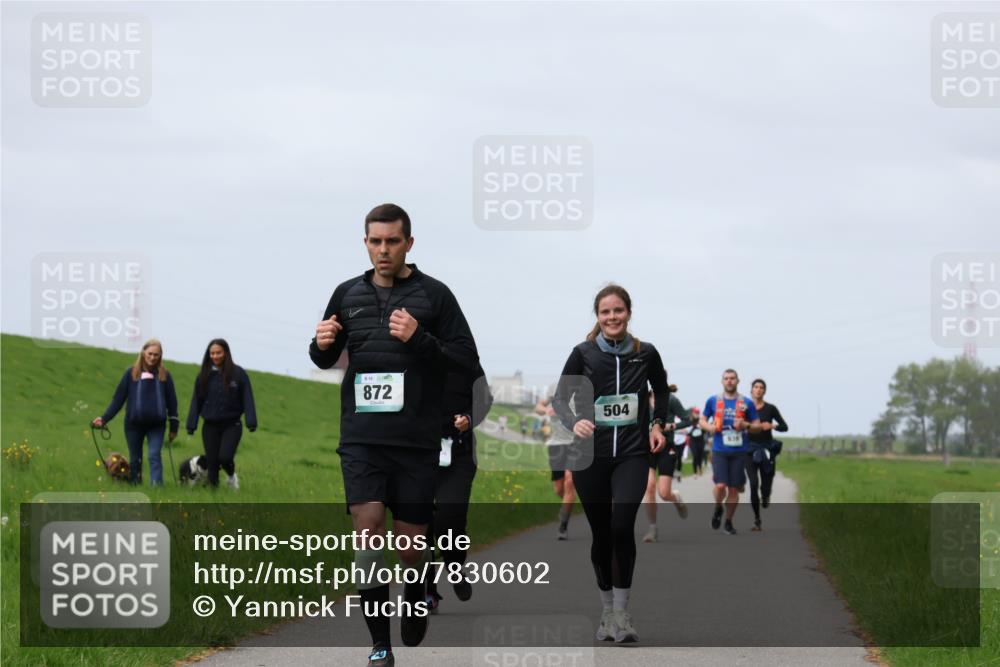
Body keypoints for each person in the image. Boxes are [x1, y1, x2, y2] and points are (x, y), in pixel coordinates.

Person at [309, 203, 479, 667]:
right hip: (362, 440)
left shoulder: (435, 296)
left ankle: (419, 588)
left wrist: (419, 337)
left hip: (416, 441)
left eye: (392, 241)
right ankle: (379, 644)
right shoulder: (347, 294)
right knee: (367, 532)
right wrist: (320, 345)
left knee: (409, 543)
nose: (383, 250)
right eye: (375, 241)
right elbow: (325, 356)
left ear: (409, 243)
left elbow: (465, 358)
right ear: (365, 243)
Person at [552, 284, 669, 644]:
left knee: (622, 525)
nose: (612, 317)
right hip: (590, 456)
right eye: (605, 312)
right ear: (598, 317)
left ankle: (622, 612)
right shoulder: (583, 353)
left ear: (628, 313)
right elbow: (560, 400)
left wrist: (657, 424)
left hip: (632, 454)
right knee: (602, 533)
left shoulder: (645, 353)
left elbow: (661, 389)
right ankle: (606, 612)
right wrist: (575, 422)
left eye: (618, 311)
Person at [425, 362, 492, 614]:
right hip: (418, 451)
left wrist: (470, 417)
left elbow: (484, 398)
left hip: (458, 453)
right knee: (421, 523)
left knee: (449, 517)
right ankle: (429, 590)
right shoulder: (411, 349)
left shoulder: (464, 356)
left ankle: (455, 565)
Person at [92, 338, 179, 486]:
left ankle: (157, 488)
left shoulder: (165, 375)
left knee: (154, 455)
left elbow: (172, 403)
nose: (152, 357)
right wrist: (104, 419)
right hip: (133, 425)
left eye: (156, 355)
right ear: (143, 352)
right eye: (150, 353)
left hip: (157, 425)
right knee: (135, 459)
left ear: (160, 356)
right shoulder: (131, 373)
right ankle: (135, 486)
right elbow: (118, 400)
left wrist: (174, 428)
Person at [186, 339, 257, 489]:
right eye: (212, 353)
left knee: (225, 457)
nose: (215, 356)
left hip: (232, 425)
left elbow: (247, 397)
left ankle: (231, 477)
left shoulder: (238, 374)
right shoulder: (204, 375)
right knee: (212, 462)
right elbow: (196, 401)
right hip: (210, 426)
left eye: (218, 352)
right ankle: (213, 493)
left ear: (225, 353)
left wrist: (251, 421)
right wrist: (191, 424)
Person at [700, 369, 761, 536]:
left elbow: (758, 425)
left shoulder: (746, 402)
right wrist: (710, 427)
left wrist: (746, 425)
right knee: (720, 486)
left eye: (732, 378)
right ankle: (718, 506)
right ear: (722, 381)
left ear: (738, 381)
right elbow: (702, 420)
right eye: (726, 378)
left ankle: (728, 521)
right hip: (720, 449)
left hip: (740, 450)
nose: (729, 381)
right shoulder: (713, 400)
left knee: (734, 489)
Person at [642, 387, 691, 543]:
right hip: (646, 449)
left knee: (664, 493)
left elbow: (687, 419)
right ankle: (652, 528)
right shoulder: (641, 398)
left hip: (666, 447)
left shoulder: (670, 399)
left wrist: (671, 426)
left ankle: (675, 498)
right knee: (649, 487)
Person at [746, 378, 789, 531]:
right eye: (756, 387)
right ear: (751, 390)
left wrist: (772, 425)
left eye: (761, 387)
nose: (758, 390)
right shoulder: (745, 408)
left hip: (766, 449)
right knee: (753, 484)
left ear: (764, 391)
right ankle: (757, 520)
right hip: (749, 450)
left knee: (765, 485)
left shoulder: (770, 409)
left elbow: (785, 427)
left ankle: (765, 496)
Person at [537, 396, 577, 540]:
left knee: (569, 482)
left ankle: (563, 525)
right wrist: (547, 409)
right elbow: (539, 406)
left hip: (576, 442)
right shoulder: (555, 391)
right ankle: (566, 506)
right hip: (556, 445)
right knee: (559, 489)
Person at [687, 407, 707, 477]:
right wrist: (694, 427)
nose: (697, 414)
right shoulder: (690, 421)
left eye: (698, 413)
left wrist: (701, 428)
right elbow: (688, 433)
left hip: (701, 441)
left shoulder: (701, 421)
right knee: (695, 456)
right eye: (695, 413)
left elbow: (705, 431)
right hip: (693, 442)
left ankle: (700, 468)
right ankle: (695, 472)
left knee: (700, 456)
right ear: (693, 413)